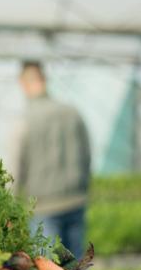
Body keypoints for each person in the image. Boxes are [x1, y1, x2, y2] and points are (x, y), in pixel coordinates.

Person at [16, 61, 91, 257]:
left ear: (23, 83)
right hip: (76, 200)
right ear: (44, 79)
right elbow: (87, 155)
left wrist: (12, 204)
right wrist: (83, 188)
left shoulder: (26, 118)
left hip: (44, 206)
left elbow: (16, 165)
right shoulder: (72, 113)